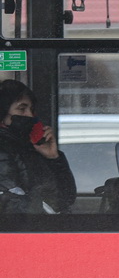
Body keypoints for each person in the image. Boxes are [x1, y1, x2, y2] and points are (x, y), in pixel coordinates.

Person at [0, 79, 77, 213]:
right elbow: (12, 206)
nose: (29, 115)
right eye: (21, 109)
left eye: (31, 109)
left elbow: (67, 197)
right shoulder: (3, 151)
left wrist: (53, 158)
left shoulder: (28, 147)